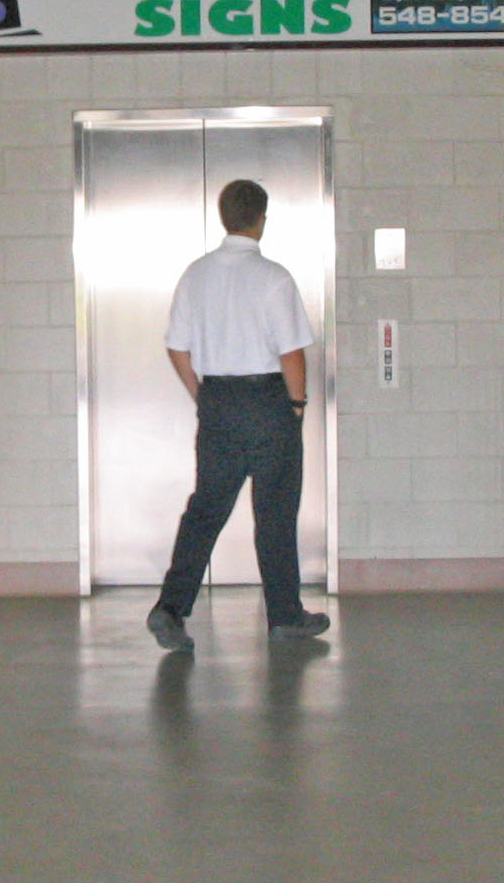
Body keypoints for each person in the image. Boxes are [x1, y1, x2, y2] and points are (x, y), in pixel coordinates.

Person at [146, 178, 330, 652]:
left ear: (224, 216)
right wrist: (296, 404)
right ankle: (285, 616)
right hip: (269, 403)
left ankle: (169, 608)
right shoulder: (274, 278)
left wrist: (201, 395)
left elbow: (177, 345)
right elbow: (292, 354)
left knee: (206, 509)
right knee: (275, 513)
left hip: (219, 405)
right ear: (261, 220)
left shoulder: (196, 274)